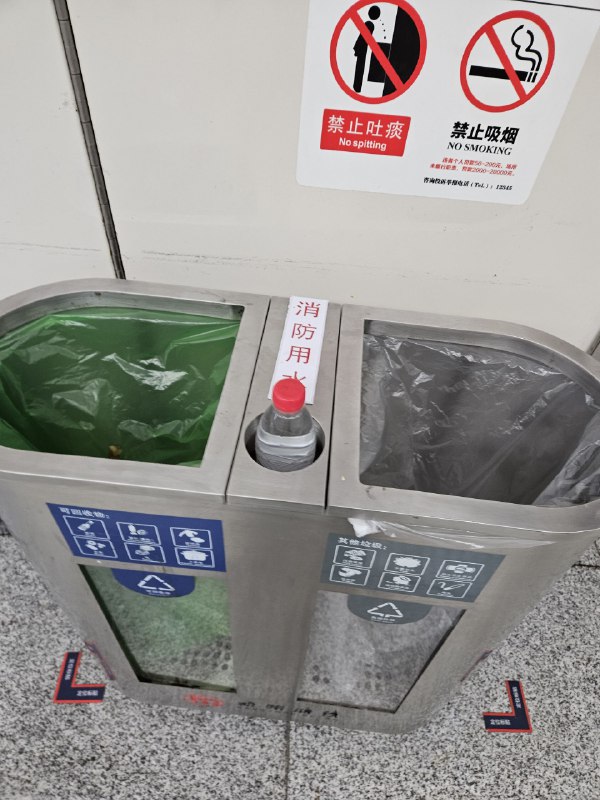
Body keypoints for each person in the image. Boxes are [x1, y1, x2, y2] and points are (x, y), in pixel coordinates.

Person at [353, 5, 380, 93]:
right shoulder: (369, 24)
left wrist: (356, 47)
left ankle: (357, 87)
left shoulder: (369, 24)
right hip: (363, 49)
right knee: (360, 67)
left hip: (363, 49)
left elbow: (361, 37)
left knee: (360, 67)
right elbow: (362, 37)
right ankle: (357, 87)